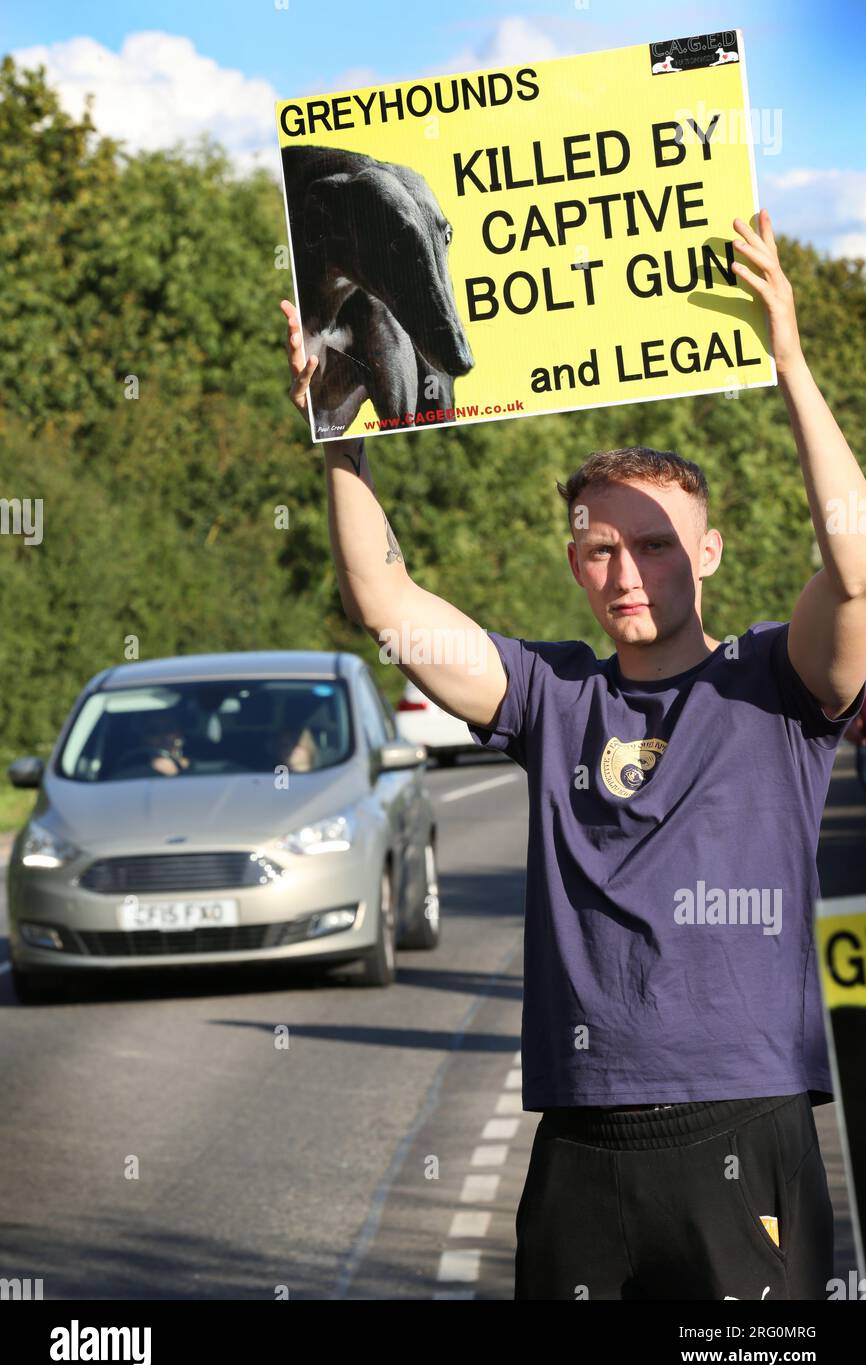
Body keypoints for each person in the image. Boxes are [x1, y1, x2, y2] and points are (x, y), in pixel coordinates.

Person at [279, 208, 866, 1301]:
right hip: (581, 1144)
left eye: (654, 542)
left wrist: (786, 355)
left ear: (707, 552)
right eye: (602, 548)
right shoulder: (551, 694)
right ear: (574, 565)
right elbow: (383, 601)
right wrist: (339, 436)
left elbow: (856, 565)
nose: (628, 569)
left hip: (743, 1124)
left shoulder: (778, 686)